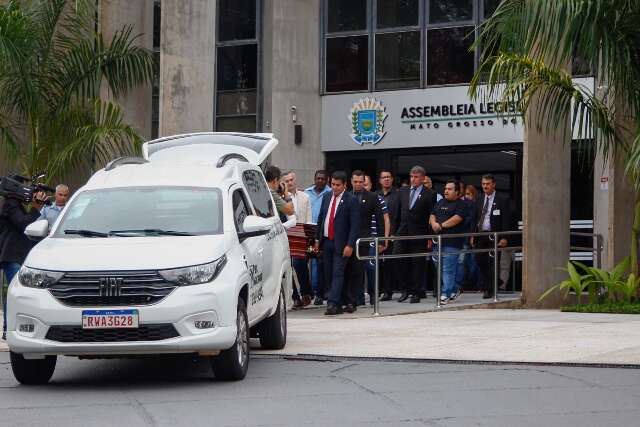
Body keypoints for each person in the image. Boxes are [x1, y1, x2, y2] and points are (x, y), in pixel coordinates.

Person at [0, 189, 47, 340]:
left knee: (18, 294)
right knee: (16, 294)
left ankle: (12, 328)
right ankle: (8, 329)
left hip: (19, 256)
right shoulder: (10, 204)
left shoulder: (15, 204)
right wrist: (35, 208)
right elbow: (23, 224)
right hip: (12, 255)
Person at [314, 171, 360, 315]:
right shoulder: (327, 196)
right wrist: (317, 239)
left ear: (345, 185)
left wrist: (350, 245)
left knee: (338, 273)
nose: (334, 187)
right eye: (332, 184)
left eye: (338, 185)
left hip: (342, 243)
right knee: (328, 273)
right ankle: (339, 303)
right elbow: (322, 218)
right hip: (327, 241)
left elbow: (355, 225)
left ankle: (332, 303)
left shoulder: (351, 200)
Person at [395, 166, 436, 303]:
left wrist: (430, 236)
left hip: (419, 234)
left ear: (423, 178)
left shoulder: (430, 193)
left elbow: (432, 215)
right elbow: (397, 212)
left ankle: (416, 292)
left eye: (416, 177)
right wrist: (393, 233)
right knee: (399, 260)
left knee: (417, 264)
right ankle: (405, 289)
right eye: (411, 176)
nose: (413, 179)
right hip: (402, 233)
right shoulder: (402, 191)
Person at [348, 170, 384, 309]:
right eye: (355, 182)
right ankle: (357, 298)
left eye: (361, 182)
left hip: (364, 239)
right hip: (349, 239)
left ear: (364, 182)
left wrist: (381, 241)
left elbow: (380, 219)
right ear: (351, 181)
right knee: (353, 270)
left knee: (366, 268)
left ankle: (373, 294)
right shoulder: (347, 195)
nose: (358, 184)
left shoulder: (372, 197)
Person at [473, 174, 512, 299]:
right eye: (483, 184)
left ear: (494, 184)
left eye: (488, 184)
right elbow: (475, 218)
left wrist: (504, 237)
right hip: (481, 234)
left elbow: (506, 220)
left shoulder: (502, 199)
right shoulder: (479, 198)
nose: (485, 186)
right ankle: (496, 281)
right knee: (479, 260)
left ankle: (489, 289)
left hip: (495, 235)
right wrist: (473, 235)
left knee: (492, 262)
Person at [430, 180, 467, 305]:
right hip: (438, 242)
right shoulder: (440, 202)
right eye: (445, 188)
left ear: (457, 192)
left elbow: (457, 219)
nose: (446, 191)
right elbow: (432, 214)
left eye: (450, 189)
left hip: (452, 242)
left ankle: (445, 293)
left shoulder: (461, 205)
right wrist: (434, 223)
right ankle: (453, 289)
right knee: (440, 268)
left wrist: (441, 225)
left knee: (448, 268)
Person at [282, 171, 313, 308]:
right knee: (288, 265)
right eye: (287, 180)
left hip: (301, 235)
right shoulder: (280, 198)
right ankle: (295, 297)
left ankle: (306, 292)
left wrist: (309, 238)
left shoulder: (305, 197)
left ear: (296, 179)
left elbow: (308, 218)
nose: (290, 182)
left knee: (300, 264)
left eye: (291, 179)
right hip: (286, 236)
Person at [304, 170, 331, 305]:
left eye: (323, 179)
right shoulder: (306, 193)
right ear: (314, 179)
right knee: (308, 261)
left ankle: (320, 292)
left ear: (327, 180)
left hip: (322, 234)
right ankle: (310, 291)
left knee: (321, 263)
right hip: (309, 234)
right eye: (318, 178)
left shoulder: (331, 193)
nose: (320, 181)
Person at [377, 169, 401, 301]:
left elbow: (400, 216)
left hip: (393, 236)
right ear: (380, 180)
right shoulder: (375, 195)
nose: (386, 179)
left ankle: (391, 291)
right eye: (383, 177)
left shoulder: (398, 195)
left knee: (392, 265)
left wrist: (395, 234)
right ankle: (381, 290)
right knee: (379, 265)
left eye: (388, 177)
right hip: (378, 236)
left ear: (392, 179)